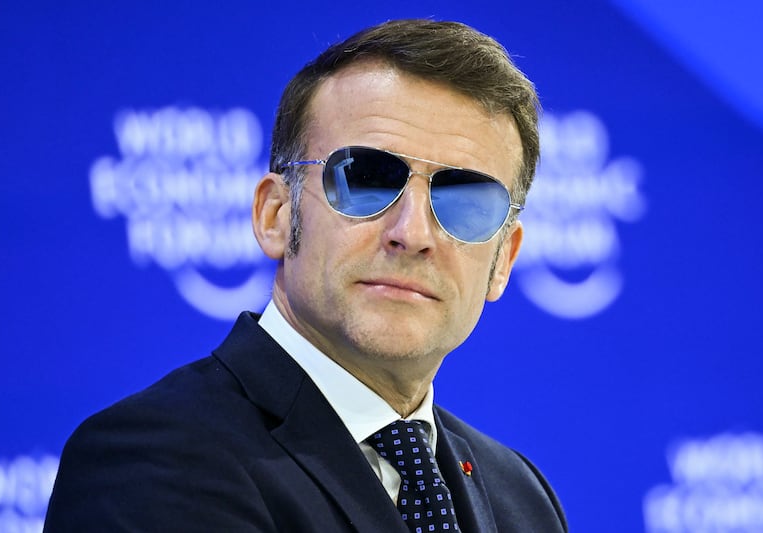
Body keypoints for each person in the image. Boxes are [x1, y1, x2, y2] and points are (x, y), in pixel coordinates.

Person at [45, 19, 567, 532]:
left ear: (503, 259)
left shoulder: (520, 497)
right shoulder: (152, 462)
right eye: (366, 179)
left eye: (465, 201)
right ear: (276, 215)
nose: (413, 233)